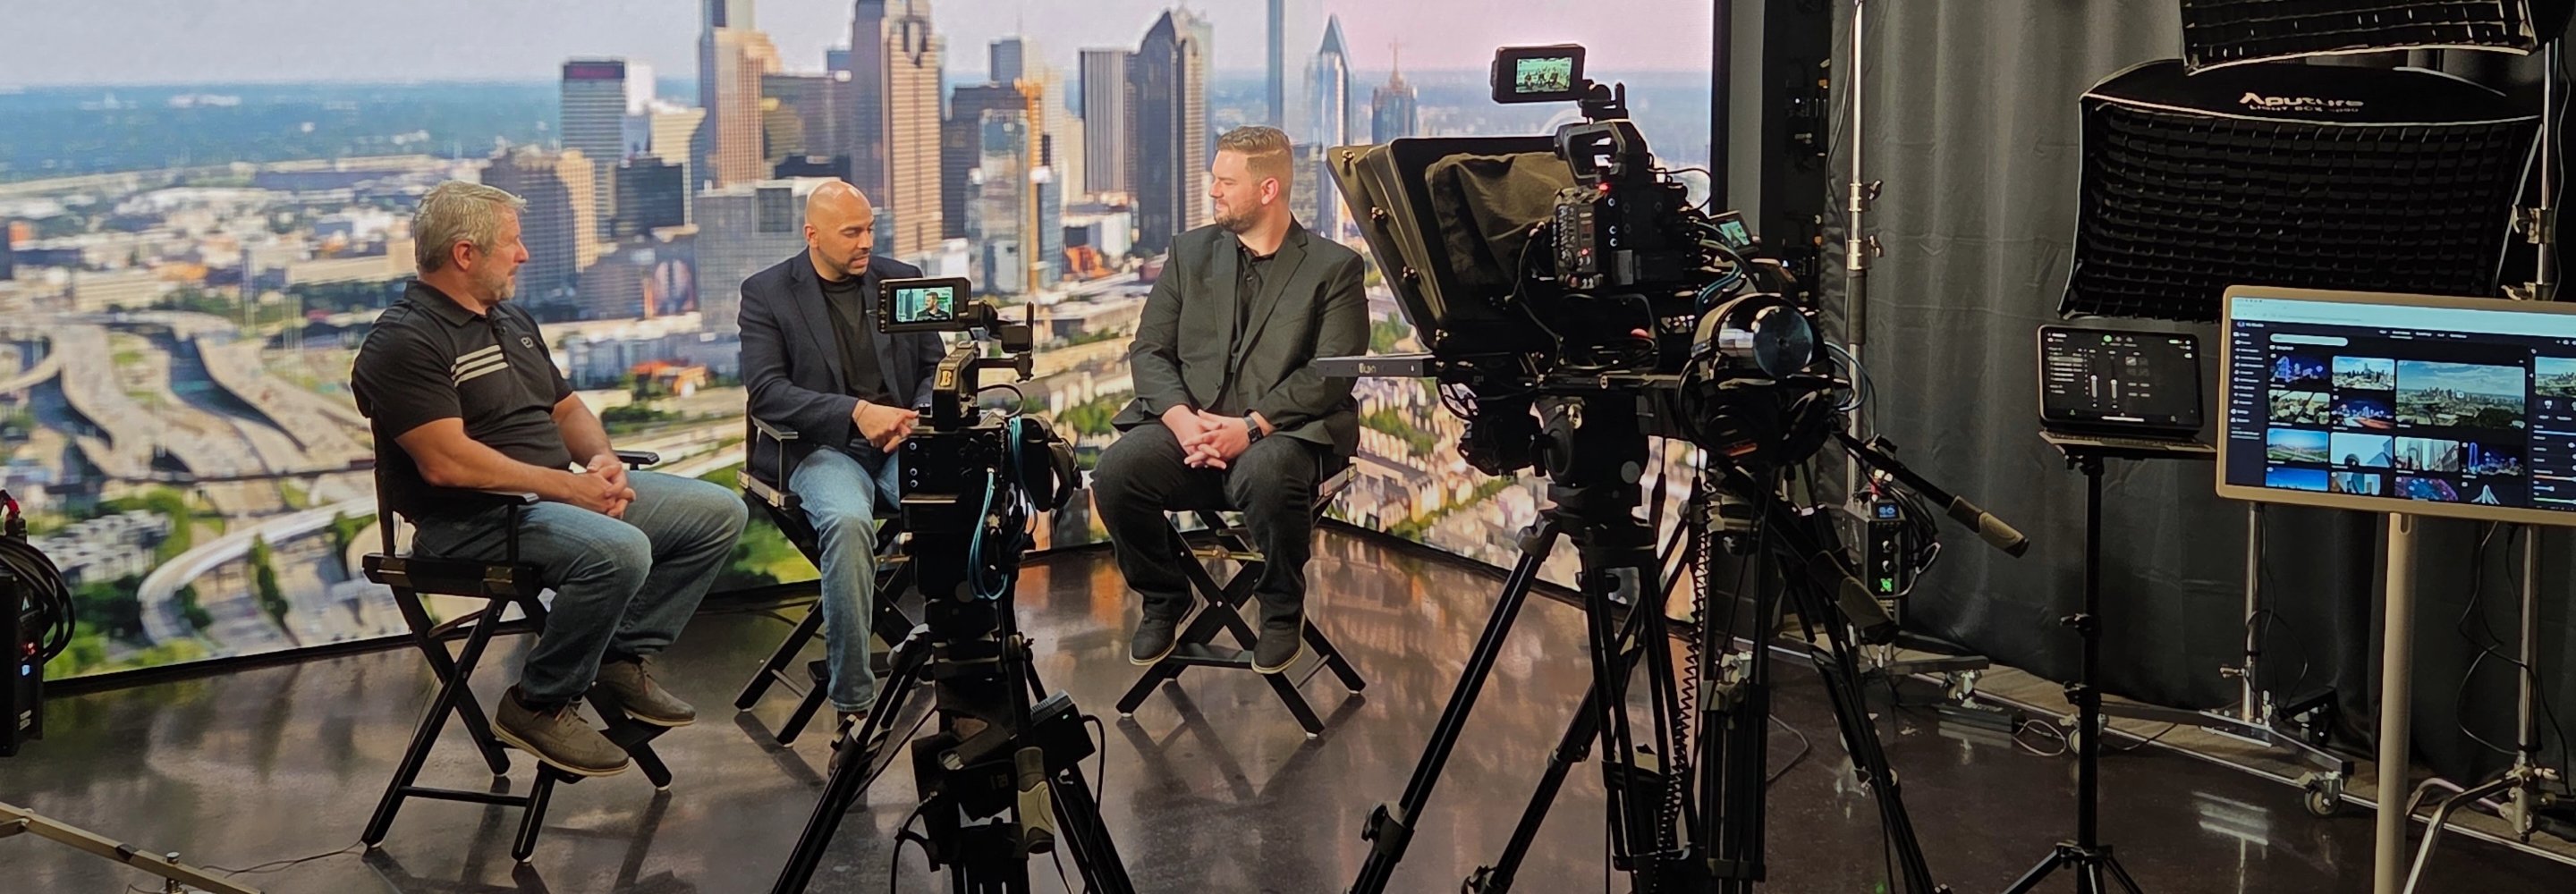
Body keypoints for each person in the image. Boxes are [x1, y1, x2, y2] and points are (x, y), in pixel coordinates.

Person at [352, 181, 747, 778]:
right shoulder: (405, 340)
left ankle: (616, 656)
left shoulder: (510, 319)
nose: (524, 255)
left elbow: (564, 410)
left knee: (719, 514)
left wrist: (602, 462)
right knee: (620, 551)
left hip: (552, 502)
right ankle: (539, 701)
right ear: (465, 254)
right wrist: (567, 487)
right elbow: (446, 462)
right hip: (471, 524)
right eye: (512, 242)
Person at [1094, 126, 1368, 674]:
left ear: (1268, 189)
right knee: (1116, 472)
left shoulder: (1334, 268)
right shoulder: (1189, 253)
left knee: (1266, 474)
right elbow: (1149, 351)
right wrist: (1181, 422)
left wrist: (1252, 425)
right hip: (1189, 431)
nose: (1212, 191)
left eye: (1225, 181)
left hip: (1284, 434)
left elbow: (1330, 374)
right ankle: (1165, 597)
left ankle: (1280, 610)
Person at [739, 181, 944, 732]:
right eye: (851, 232)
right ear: (813, 235)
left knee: (962, 502)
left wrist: (917, 417)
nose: (865, 243)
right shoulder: (766, 293)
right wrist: (856, 412)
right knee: (849, 523)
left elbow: (934, 367)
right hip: (818, 449)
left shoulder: (901, 279)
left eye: (870, 229)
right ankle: (854, 708)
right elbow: (767, 392)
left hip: (902, 442)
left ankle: (963, 663)